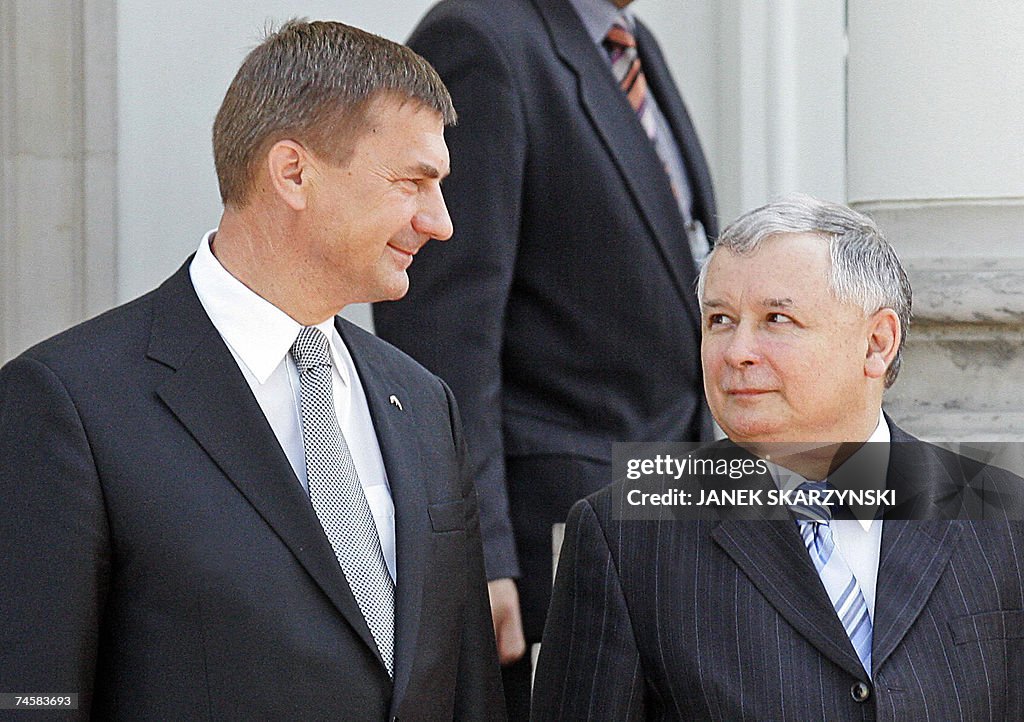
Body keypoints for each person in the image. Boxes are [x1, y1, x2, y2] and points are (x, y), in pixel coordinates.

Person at [0, 20, 504, 720]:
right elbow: (30, 697)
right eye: (413, 183)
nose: (441, 221)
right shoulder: (68, 404)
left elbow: (467, 689)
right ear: (293, 172)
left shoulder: (423, 403)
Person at [532, 195, 1024, 719]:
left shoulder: (1000, 510)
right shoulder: (622, 529)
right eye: (719, 319)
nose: (737, 350)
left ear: (877, 343)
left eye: (776, 319)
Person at [372, 0, 717, 713]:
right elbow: (442, 325)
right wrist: (480, 552)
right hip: (542, 546)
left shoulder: (631, 43)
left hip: (660, 521)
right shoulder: (480, 39)